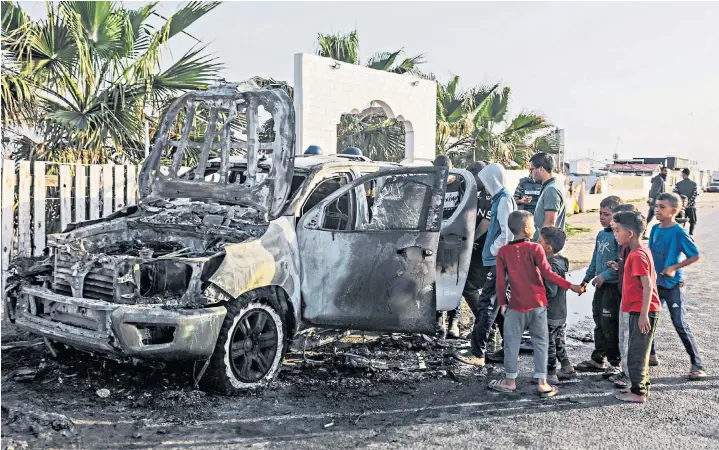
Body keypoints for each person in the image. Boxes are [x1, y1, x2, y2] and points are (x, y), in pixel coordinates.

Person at [487, 211, 583, 397]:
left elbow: (501, 281)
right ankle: (542, 382)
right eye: (533, 225)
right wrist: (571, 286)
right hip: (538, 304)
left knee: (511, 343)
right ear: (526, 229)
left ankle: (509, 381)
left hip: (516, 305)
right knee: (541, 342)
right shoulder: (536, 249)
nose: (536, 228)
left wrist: (502, 303)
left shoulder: (503, 252)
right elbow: (548, 274)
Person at [454, 163, 516, 366]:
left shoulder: (504, 200)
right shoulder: (500, 198)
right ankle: (509, 350)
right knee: (498, 305)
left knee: (486, 306)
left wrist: (492, 250)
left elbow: (507, 233)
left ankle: (477, 353)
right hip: (499, 259)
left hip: (498, 259)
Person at [647, 192, 706, 380]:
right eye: (656, 206)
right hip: (655, 283)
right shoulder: (655, 228)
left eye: (662, 207)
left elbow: (695, 255)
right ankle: (652, 355)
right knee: (649, 319)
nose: (657, 210)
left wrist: (673, 267)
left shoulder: (679, 232)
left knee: (680, 323)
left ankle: (697, 364)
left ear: (674, 210)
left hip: (673, 285)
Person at [612, 210, 661, 403]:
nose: (615, 234)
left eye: (617, 230)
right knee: (638, 350)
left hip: (644, 310)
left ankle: (639, 392)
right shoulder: (638, 252)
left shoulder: (637, 255)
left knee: (636, 353)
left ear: (629, 234)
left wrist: (643, 315)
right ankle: (639, 387)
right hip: (639, 308)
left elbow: (648, 285)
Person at [575, 196, 623, 376]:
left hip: (613, 287)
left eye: (607, 214)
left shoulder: (620, 237)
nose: (602, 217)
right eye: (600, 213)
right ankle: (598, 359)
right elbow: (595, 260)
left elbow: (621, 264)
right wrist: (586, 279)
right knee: (599, 321)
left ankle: (615, 361)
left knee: (610, 324)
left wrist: (605, 275)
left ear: (618, 215)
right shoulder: (601, 234)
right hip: (600, 287)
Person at [538, 226, 577, 384]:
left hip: (551, 312)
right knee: (558, 340)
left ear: (547, 248)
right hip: (561, 311)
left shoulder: (550, 266)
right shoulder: (561, 260)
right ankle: (567, 367)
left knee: (548, 343)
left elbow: (550, 291)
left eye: (539, 241)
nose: (535, 242)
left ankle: (551, 374)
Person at [607, 203, 640, 389]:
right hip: (625, 298)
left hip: (633, 303)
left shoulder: (636, 251)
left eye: (617, 228)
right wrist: (619, 267)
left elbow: (646, 282)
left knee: (630, 340)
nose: (614, 230)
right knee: (623, 337)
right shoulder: (625, 248)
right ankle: (625, 370)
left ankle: (630, 376)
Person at [461, 161, 494, 341]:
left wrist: (471, 239)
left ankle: (488, 326)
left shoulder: (491, 192)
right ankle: (486, 325)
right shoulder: (477, 191)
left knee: (471, 287)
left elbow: (486, 223)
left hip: (485, 248)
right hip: (477, 247)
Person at [433, 155, 465, 338]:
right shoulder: (435, 184)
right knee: (437, 278)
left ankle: (454, 320)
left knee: (454, 279)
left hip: (455, 238)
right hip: (436, 237)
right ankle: (439, 319)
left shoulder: (461, 184)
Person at [528, 152, 566, 241]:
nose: (531, 173)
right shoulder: (550, 186)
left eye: (532, 169)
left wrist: (538, 246)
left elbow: (549, 223)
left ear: (541, 169)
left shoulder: (551, 189)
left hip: (547, 248)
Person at [644, 166, 668, 239]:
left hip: (657, 202)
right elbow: (654, 191)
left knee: (650, 218)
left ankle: (643, 233)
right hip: (656, 203)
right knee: (662, 218)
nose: (666, 173)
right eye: (665, 171)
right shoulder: (659, 179)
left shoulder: (661, 179)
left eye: (667, 171)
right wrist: (651, 199)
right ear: (661, 171)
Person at [673, 168, 698, 236]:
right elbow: (695, 195)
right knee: (692, 221)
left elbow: (675, 194)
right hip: (691, 206)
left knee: (680, 220)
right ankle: (690, 234)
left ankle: (680, 233)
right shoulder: (694, 184)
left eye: (682, 174)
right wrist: (688, 203)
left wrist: (682, 203)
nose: (682, 175)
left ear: (684, 174)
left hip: (680, 206)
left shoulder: (678, 184)